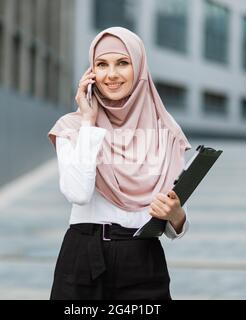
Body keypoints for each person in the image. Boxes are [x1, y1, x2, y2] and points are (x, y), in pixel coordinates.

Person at [47, 27, 192, 300]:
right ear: (91, 73)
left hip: (143, 259)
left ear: (138, 67)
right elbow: (77, 193)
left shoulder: (166, 132)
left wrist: (175, 215)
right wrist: (89, 121)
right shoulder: (72, 127)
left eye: (122, 63)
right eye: (101, 65)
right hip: (83, 258)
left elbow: (173, 227)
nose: (111, 74)